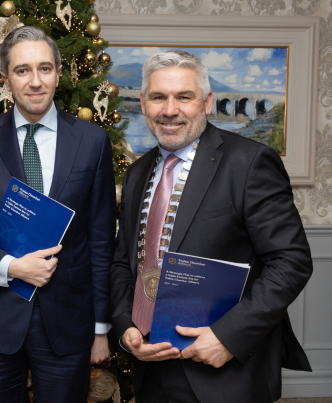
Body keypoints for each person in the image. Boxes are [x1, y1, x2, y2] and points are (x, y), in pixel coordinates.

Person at [110, 49, 312, 403]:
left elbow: (291, 262)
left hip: (225, 374)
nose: (170, 110)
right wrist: (125, 324)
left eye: (183, 97)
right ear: (143, 104)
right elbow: (124, 262)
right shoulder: (136, 174)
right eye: (158, 97)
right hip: (150, 368)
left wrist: (227, 337)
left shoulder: (248, 163)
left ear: (206, 102)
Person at [0, 26, 116, 402]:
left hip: (68, 323)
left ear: (58, 73)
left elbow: (101, 239)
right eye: (22, 70)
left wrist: (101, 327)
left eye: (45, 69)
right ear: (5, 79)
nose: (35, 81)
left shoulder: (92, 142)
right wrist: (10, 266)